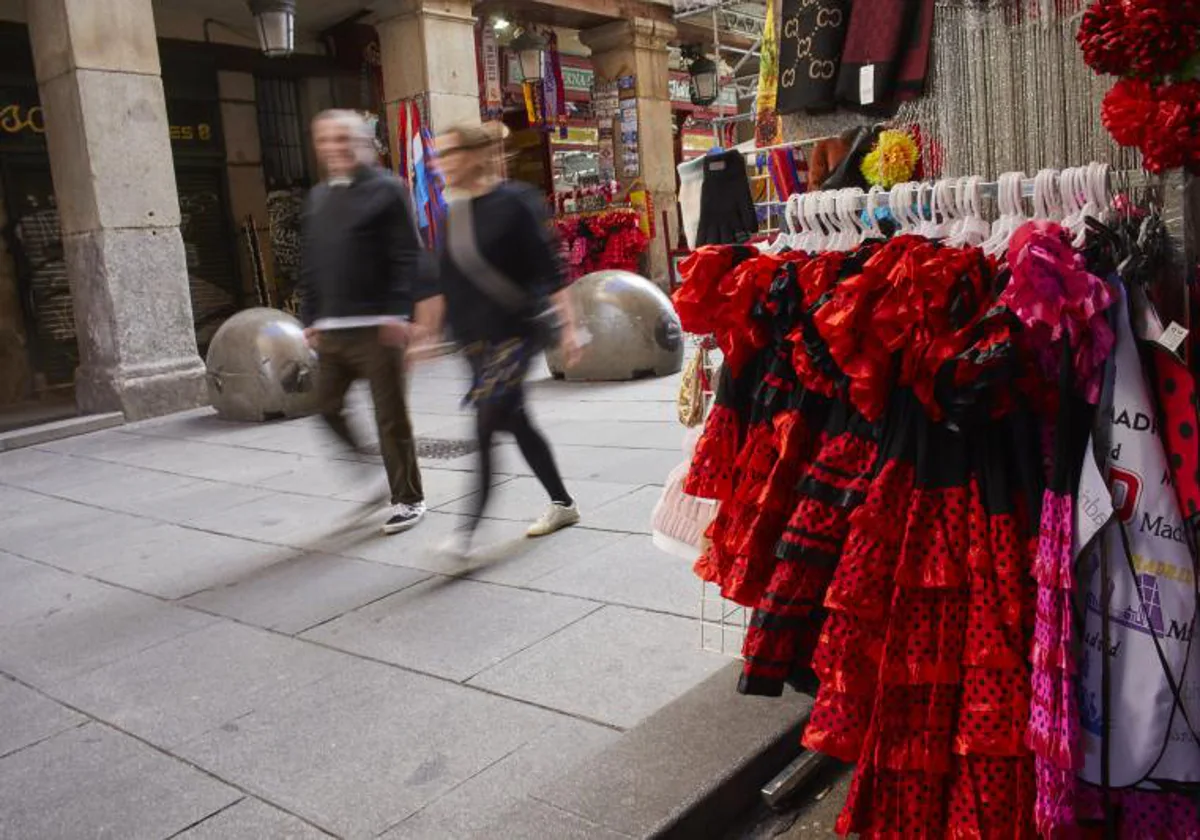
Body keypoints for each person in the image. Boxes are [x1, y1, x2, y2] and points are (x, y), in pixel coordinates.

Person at [413, 122, 581, 555]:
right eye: (438, 156)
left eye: (447, 154)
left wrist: (569, 327)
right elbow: (445, 282)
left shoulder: (517, 203)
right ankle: (562, 503)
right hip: (475, 345)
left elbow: (552, 270)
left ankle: (465, 534)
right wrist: (426, 334)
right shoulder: (455, 215)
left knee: (486, 424)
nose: (439, 164)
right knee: (517, 422)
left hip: (515, 336)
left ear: (474, 155)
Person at [299, 109, 431, 535]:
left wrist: (400, 313)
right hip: (333, 329)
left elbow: (407, 256)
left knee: (390, 417)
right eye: (325, 140)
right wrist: (310, 317)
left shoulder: (388, 190)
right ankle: (375, 474)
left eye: (342, 138)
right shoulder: (319, 197)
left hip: (378, 327)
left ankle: (409, 497)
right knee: (323, 406)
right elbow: (313, 262)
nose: (334, 147)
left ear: (361, 143)